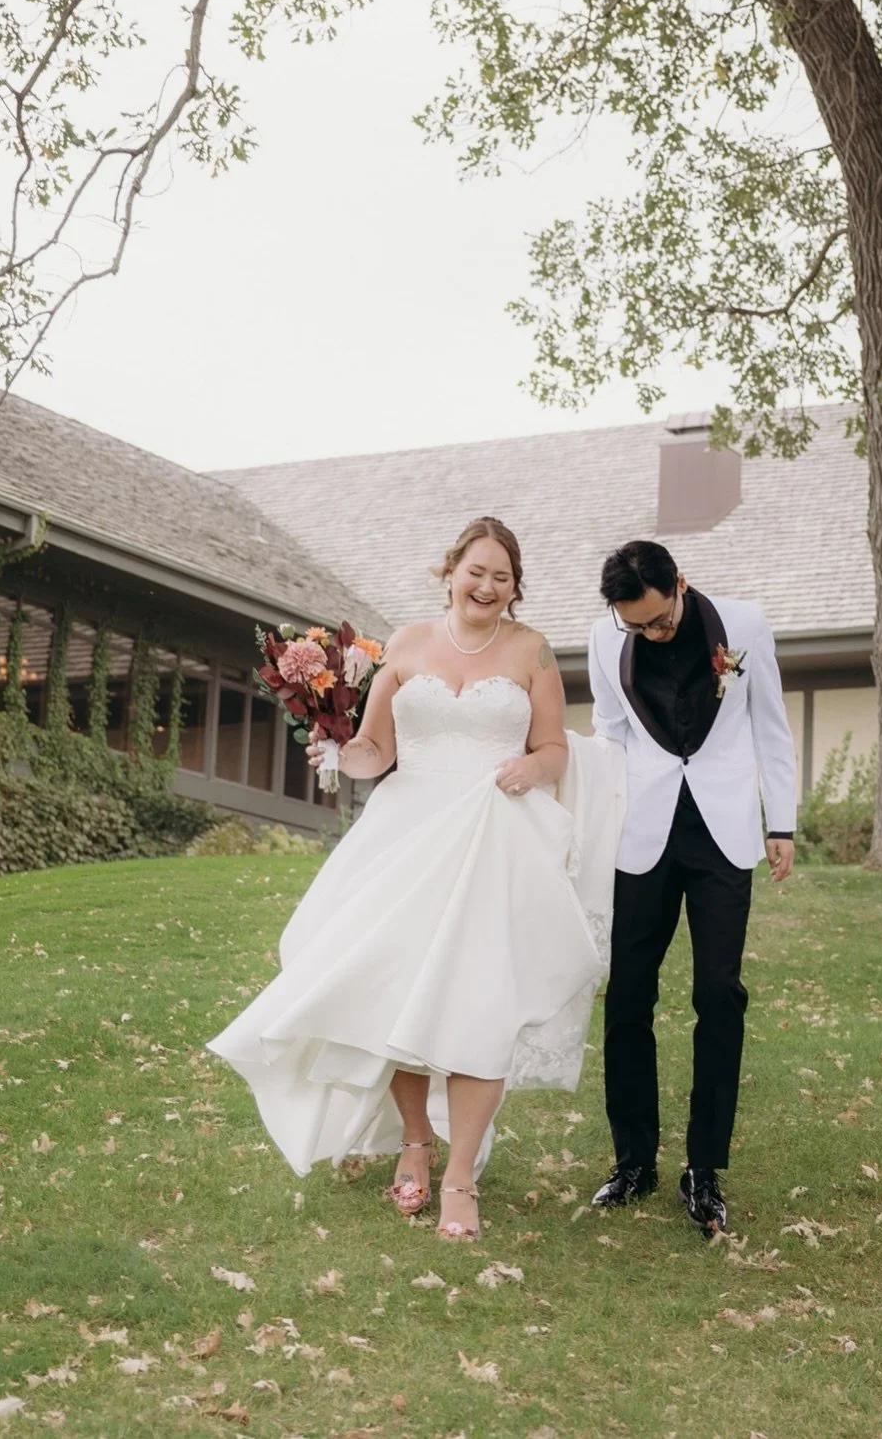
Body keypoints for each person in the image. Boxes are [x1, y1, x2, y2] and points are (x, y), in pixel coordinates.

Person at [208, 517, 618, 1242]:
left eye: (501, 577)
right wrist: (336, 752)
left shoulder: (530, 651)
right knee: (395, 991)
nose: (486, 586)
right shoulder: (402, 645)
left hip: (494, 836)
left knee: (480, 1005)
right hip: (408, 835)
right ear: (449, 570)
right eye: (476, 571)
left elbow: (553, 746)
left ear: (514, 587)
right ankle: (414, 1141)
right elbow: (375, 751)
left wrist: (532, 766)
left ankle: (460, 1176)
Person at [586, 539, 797, 1237]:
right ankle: (632, 1161)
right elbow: (610, 735)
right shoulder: (602, 637)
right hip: (638, 835)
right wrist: (595, 826)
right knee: (627, 997)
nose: (651, 633)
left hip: (722, 833)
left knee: (717, 992)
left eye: (659, 619)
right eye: (636, 626)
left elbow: (769, 727)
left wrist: (782, 823)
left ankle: (703, 1169)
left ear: (678, 584)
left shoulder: (744, 625)